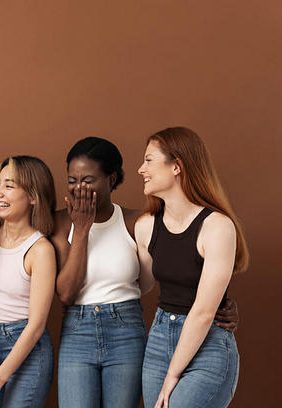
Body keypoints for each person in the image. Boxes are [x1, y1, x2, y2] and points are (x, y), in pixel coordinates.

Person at [51, 136, 240, 408]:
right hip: (87, 330)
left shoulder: (139, 222)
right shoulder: (62, 223)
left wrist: (222, 303)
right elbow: (67, 293)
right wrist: (81, 229)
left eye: (88, 180)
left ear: (111, 179)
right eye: (72, 180)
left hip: (127, 328)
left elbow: (164, 279)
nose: (79, 188)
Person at [136, 127, 248, 408]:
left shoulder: (218, 227)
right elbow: (139, 285)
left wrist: (172, 374)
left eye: (149, 160)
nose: (141, 169)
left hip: (208, 343)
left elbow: (203, 312)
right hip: (160, 337)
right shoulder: (146, 226)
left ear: (176, 166)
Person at [0, 156, 56, 408]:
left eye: (9, 185)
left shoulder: (40, 250)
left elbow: (36, 325)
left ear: (34, 196)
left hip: (26, 350)